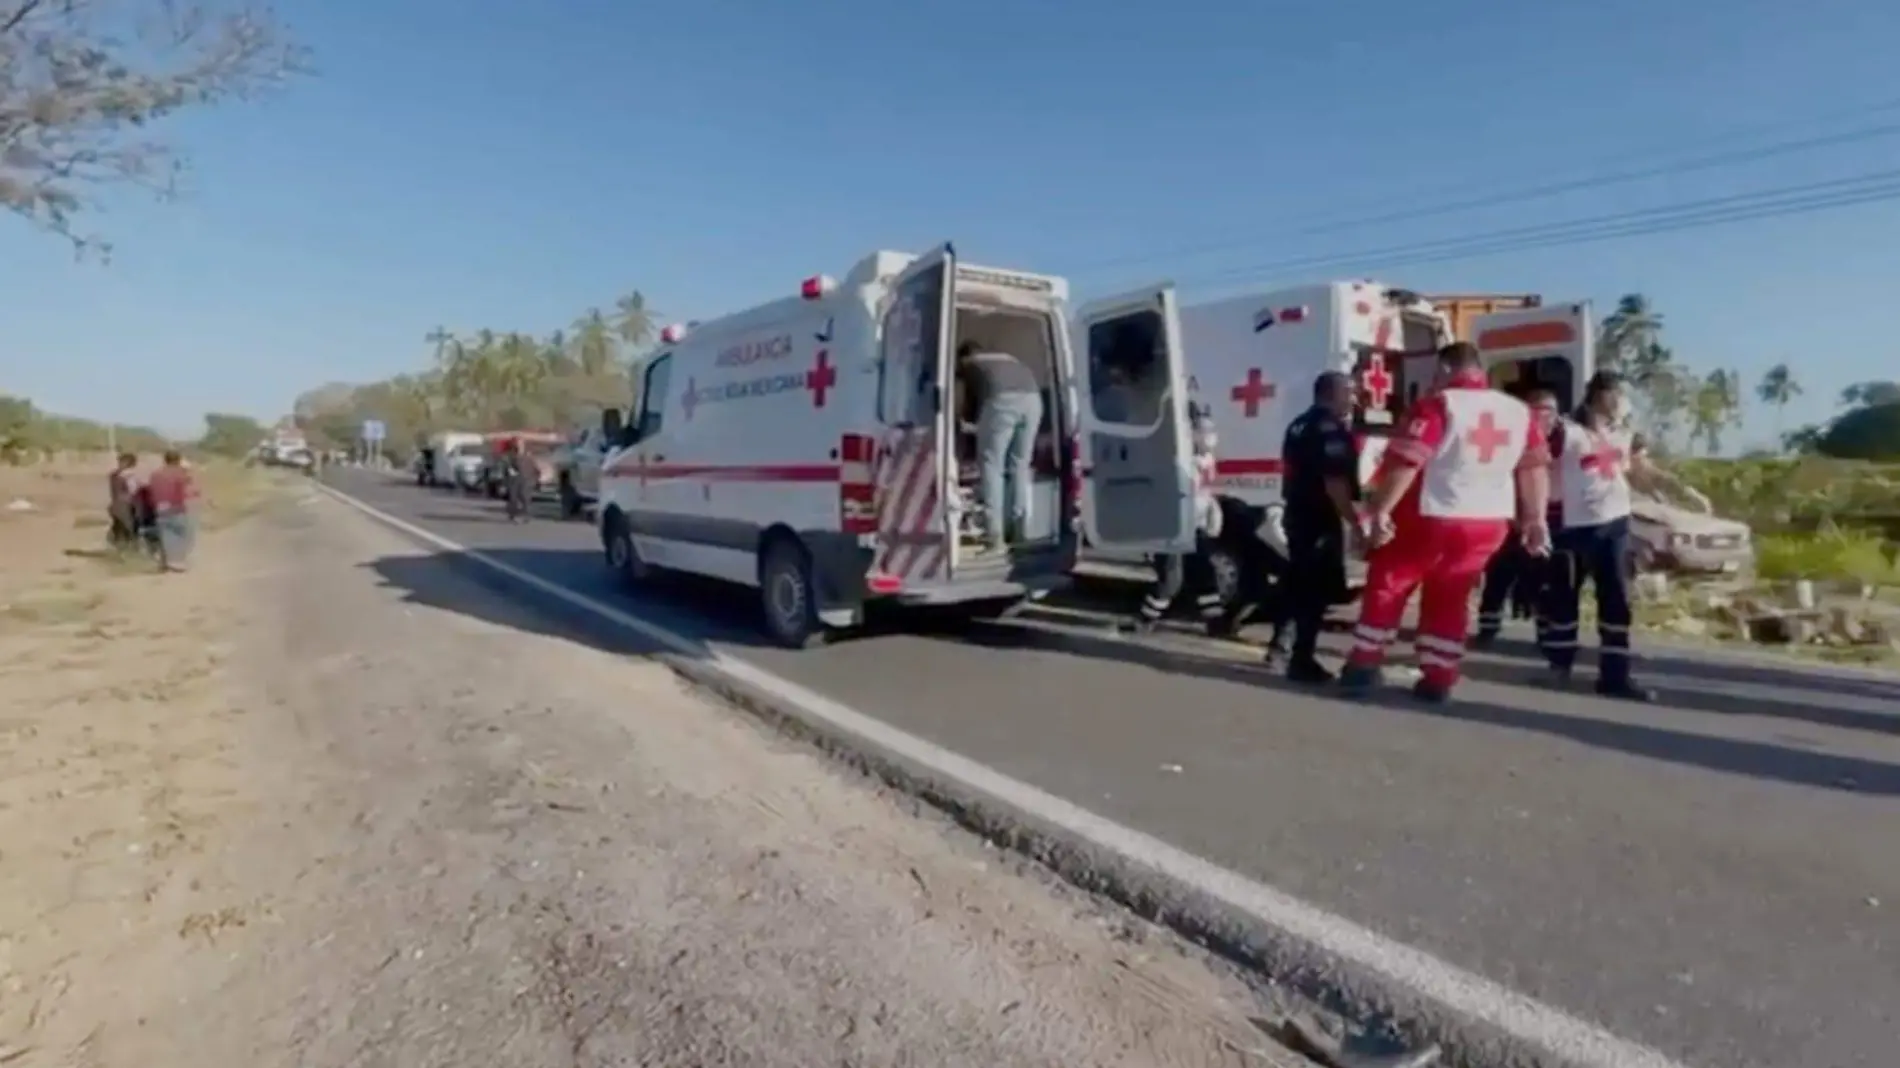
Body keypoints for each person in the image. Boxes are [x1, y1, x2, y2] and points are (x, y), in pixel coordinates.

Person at [1340, 342, 1552, 702]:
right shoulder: (1519, 413)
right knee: (1452, 595)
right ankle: (1439, 676)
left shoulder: (1440, 404)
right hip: (1489, 521)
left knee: (1391, 580)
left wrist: (1381, 511)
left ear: (1447, 369)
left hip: (1432, 514)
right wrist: (1536, 519)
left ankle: (1363, 664)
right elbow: (1534, 468)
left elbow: (1409, 461)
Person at [1538, 371, 1681, 701]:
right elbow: (1537, 461)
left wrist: (1677, 491)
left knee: (1616, 601)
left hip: (1614, 527)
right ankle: (1559, 668)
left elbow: (1641, 470)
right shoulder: (1565, 431)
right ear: (1599, 395)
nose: (1622, 402)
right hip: (1572, 528)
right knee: (1563, 599)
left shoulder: (1624, 434)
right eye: (1617, 394)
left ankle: (1615, 676)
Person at [1270, 371, 1360, 682]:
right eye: (1348, 391)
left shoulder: (1298, 424)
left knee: (1295, 584)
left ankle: (1280, 647)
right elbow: (1334, 482)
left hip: (1296, 513)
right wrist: (1355, 522)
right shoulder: (1329, 429)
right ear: (1330, 393)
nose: (1354, 398)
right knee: (1313, 593)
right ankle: (1301, 659)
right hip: (1318, 518)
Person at [1123, 400, 1225, 634]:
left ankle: (1215, 620)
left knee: (1204, 573)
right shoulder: (1172, 455)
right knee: (1171, 578)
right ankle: (1145, 619)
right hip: (1170, 524)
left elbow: (1204, 491)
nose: (1208, 435)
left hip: (1194, 523)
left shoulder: (1204, 458)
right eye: (1201, 428)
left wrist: (1211, 509)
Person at [1472, 387, 1560, 646]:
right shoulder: (1510, 439)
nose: (1545, 419)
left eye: (1550, 413)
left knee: (1542, 581)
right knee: (1498, 577)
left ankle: (1546, 634)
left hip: (1546, 520)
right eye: (1538, 413)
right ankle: (1488, 628)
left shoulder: (1564, 441)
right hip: (1508, 519)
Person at [958, 340, 1044, 551]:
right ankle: (1019, 532)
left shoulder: (970, 363)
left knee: (992, 466)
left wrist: (966, 425)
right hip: (1034, 402)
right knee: (1019, 466)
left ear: (964, 356)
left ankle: (994, 536)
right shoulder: (1007, 358)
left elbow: (972, 405)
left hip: (1003, 401)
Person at [144, 450, 199, 572]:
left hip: (159, 508)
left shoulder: (155, 474)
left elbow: (150, 490)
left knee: (165, 535)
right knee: (183, 534)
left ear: (165, 460)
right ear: (178, 460)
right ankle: (177, 561)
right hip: (176, 507)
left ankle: (165, 561)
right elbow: (190, 489)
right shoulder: (181, 474)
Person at [106, 452, 140, 550]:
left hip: (115, 505)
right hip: (127, 505)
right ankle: (130, 551)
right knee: (130, 530)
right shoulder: (129, 475)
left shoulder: (114, 475)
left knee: (119, 529)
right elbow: (133, 491)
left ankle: (119, 550)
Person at [504, 439, 535, 523]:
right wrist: (509, 472)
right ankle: (513, 515)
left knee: (525, 498)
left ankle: (526, 515)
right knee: (513, 498)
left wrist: (535, 478)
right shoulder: (511, 456)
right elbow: (507, 466)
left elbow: (533, 467)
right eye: (517, 444)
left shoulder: (528, 456)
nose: (519, 446)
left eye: (521, 444)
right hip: (514, 479)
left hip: (525, 479)